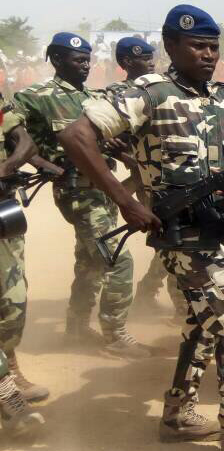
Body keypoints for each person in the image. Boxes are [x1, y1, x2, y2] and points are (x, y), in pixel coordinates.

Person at [59, 4, 224, 451]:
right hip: (183, 239)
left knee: (201, 328)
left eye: (212, 47)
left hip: (219, 230)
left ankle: (177, 415)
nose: (207, 55)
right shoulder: (150, 93)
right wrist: (126, 200)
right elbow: (76, 135)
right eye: (196, 46)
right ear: (170, 45)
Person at [13, 32, 148, 358]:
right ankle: (114, 335)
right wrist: (43, 163)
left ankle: (75, 329)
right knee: (117, 260)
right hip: (76, 190)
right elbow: (15, 135)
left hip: (102, 188)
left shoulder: (92, 96)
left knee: (90, 262)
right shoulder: (35, 95)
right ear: (57, 60)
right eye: (78, 60)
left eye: (88, 59)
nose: (86, 65)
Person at [106, 37, 186, 319]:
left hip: (168, 174)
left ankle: (151, 289)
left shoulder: (161, 87)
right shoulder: (117, 93)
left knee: (174, 238)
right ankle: (182, 307)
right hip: (143, 180)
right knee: (170, 238)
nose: (151, 61)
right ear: (126, 62)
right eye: (144, 57)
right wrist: (130, 158)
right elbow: (109, 141)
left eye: (153, 56)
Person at [0, 92, 48, 407]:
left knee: (13, 302)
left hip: (3, 212)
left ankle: (9, 363)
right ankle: (6, 384)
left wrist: (7, 168)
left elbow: (26, 143)